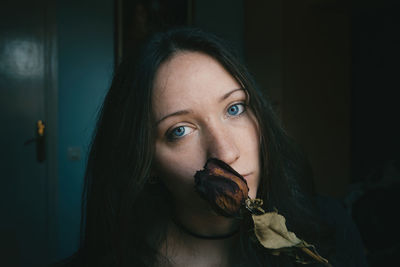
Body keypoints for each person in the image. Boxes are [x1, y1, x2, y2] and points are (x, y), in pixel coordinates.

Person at [59, 27, 367, 267]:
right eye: (180, 130)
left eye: (235, 108)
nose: (225, 152)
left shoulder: (330, 230)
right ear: (147, 162)